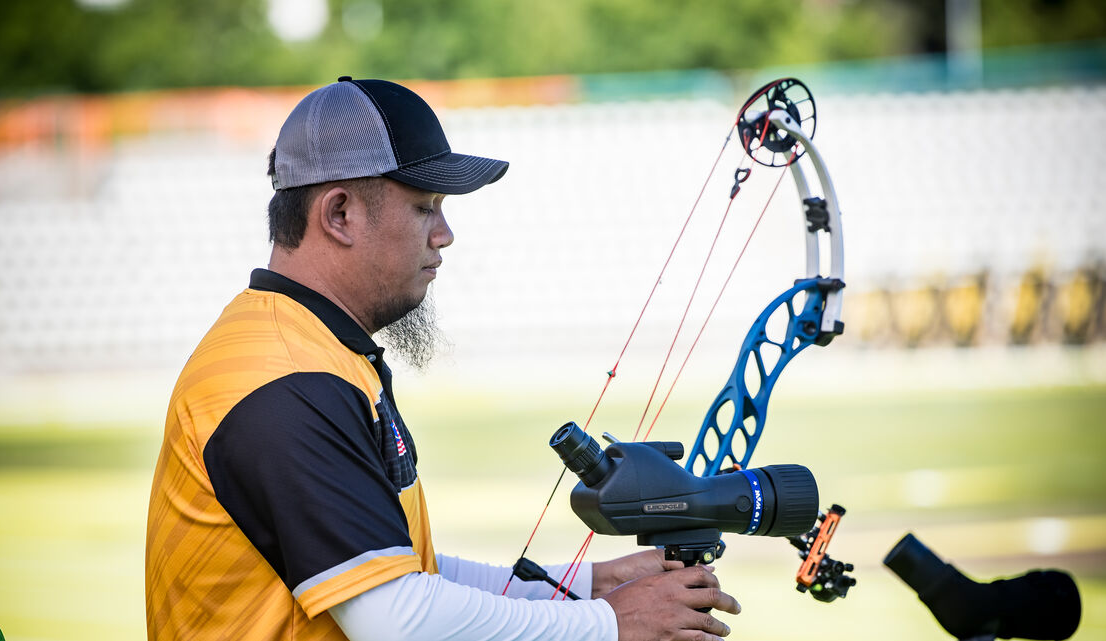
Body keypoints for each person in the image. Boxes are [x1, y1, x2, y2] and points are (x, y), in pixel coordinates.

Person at [144, 76, 741, 641]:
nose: (445, 233)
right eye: (425, 206)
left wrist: (584, 585)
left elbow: (393, 570)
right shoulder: (279, 380)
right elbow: (395, 617)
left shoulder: (309, 350)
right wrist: (610, 622)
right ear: (340, 214)